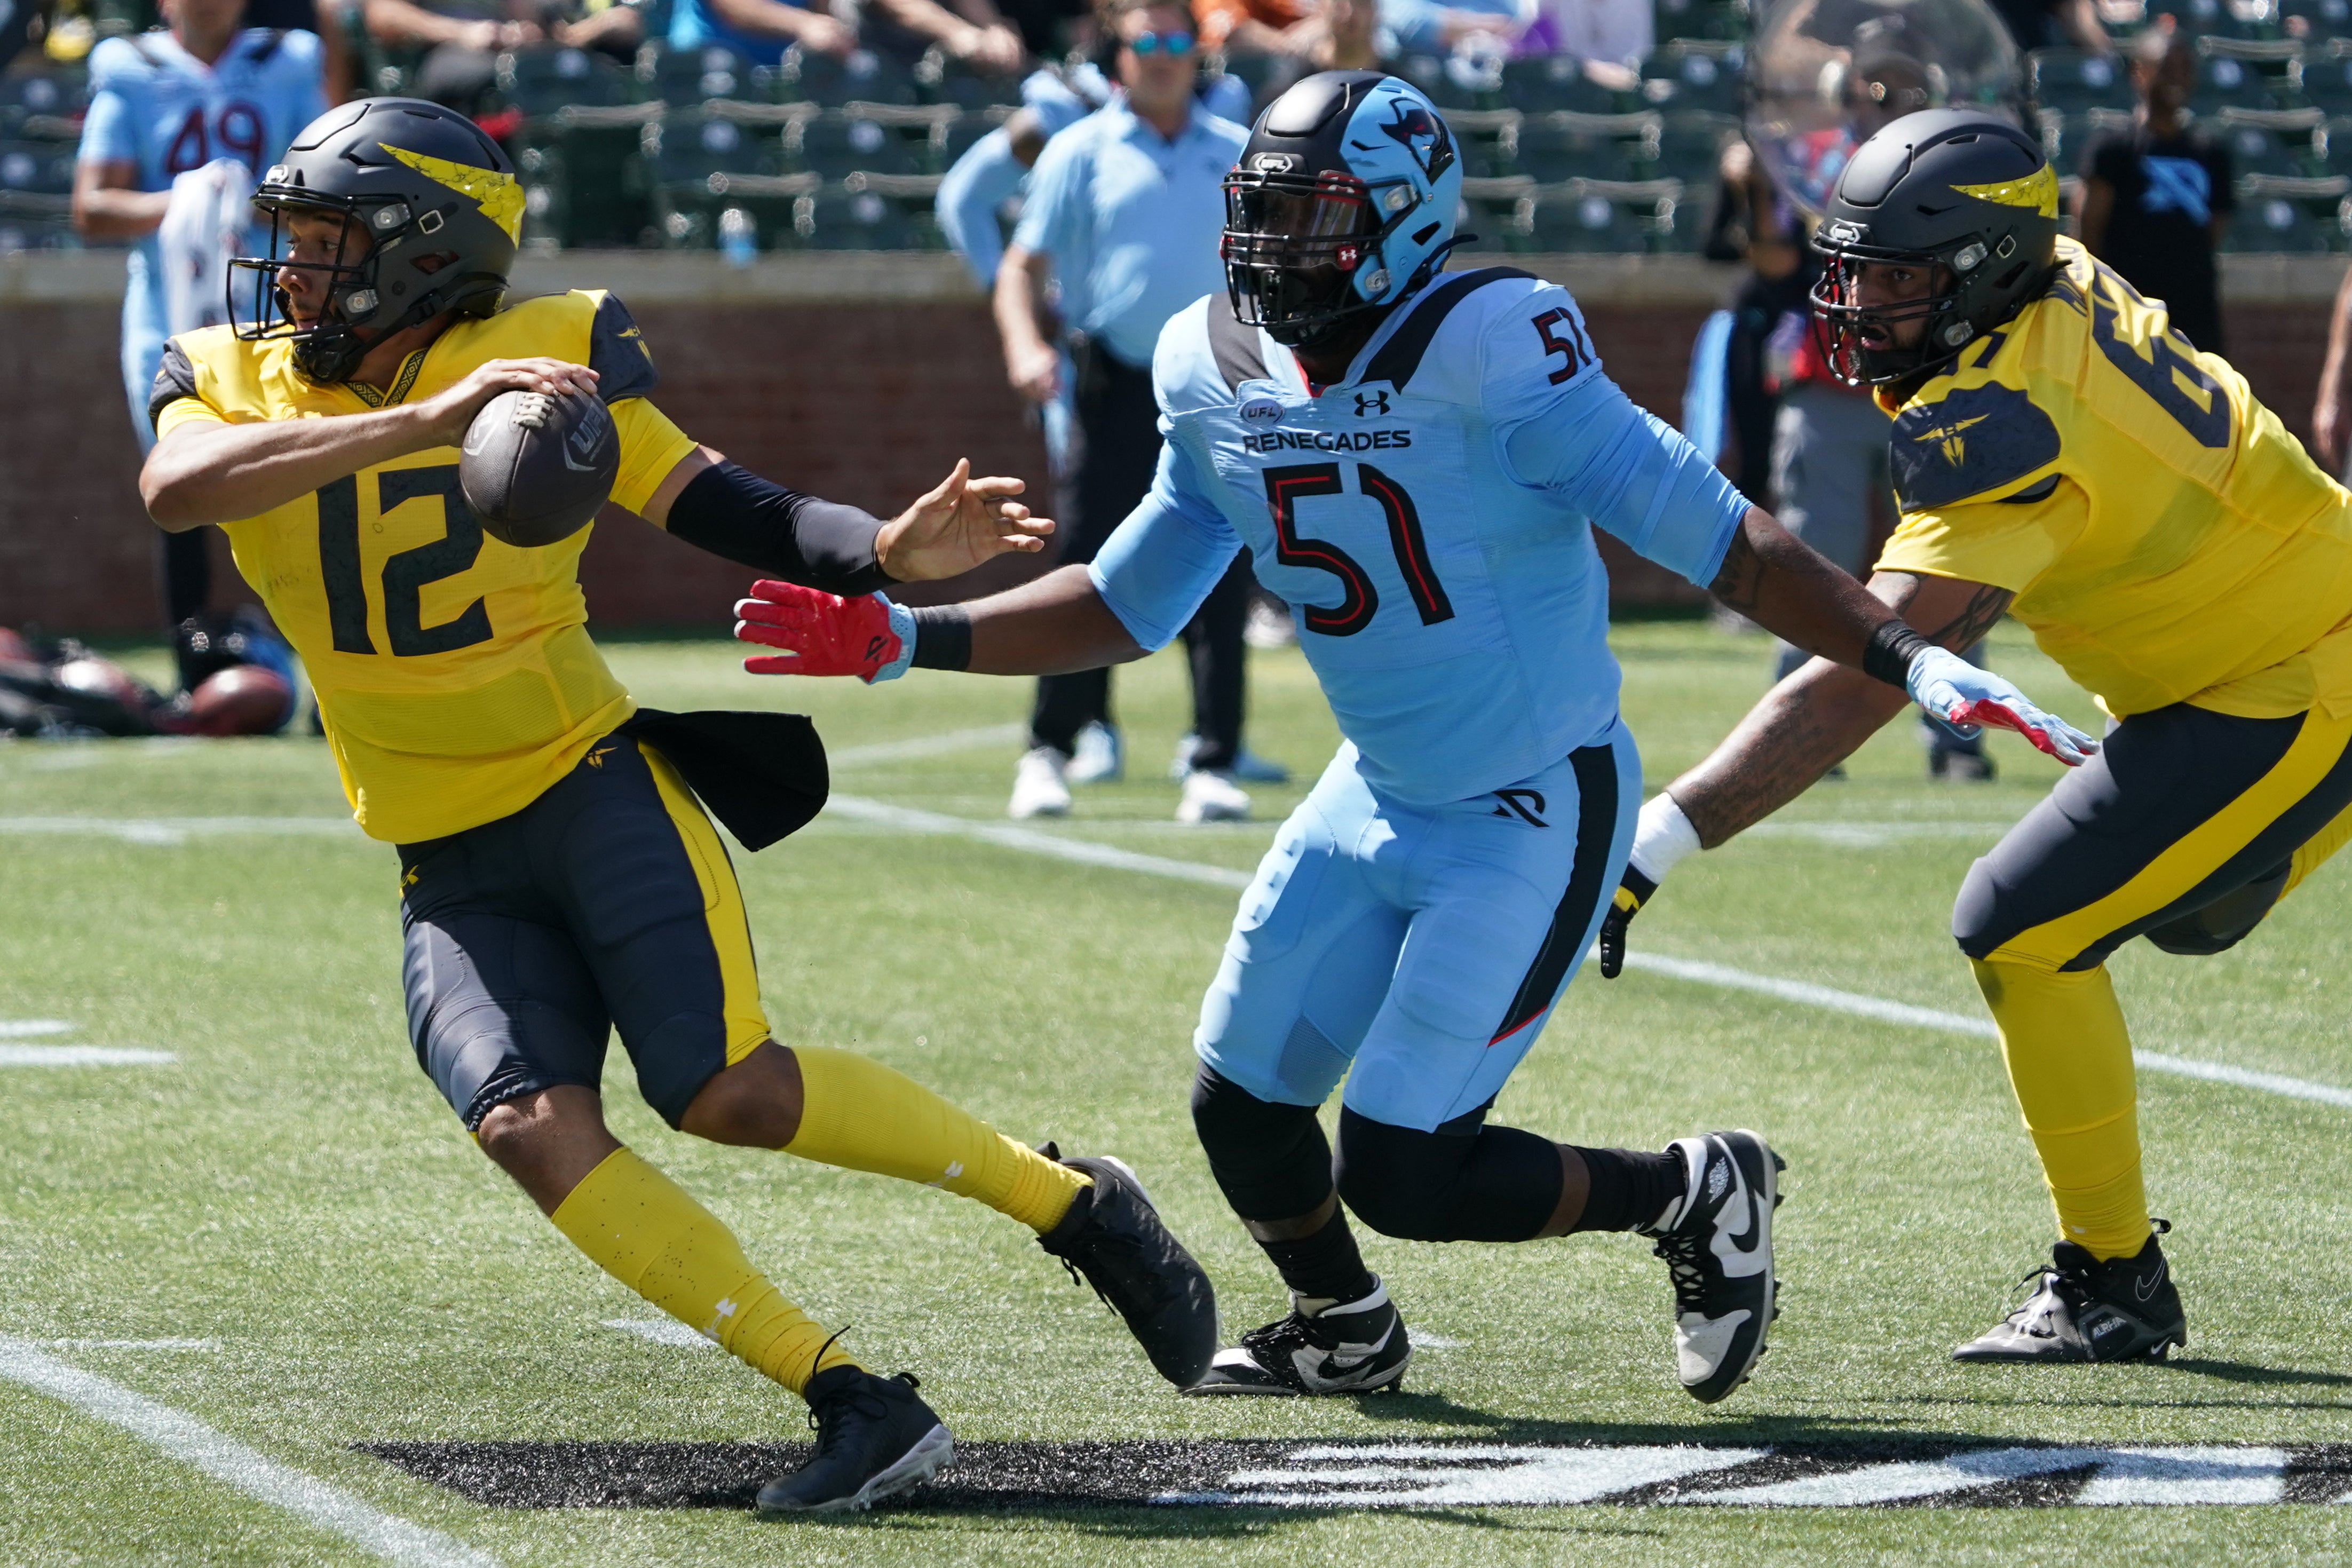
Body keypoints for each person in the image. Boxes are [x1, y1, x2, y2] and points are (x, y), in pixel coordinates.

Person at [734, 72, 2090, 1400]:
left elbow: (1713, 535)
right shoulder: (1209, 360)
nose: (1277, 249)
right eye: (1263, 214)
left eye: (1316, 217)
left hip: (1532, 802)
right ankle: (1344, 1325)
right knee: (1242, 1108)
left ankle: (1689, 1187)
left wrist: (1899, 649)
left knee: (1401, 1170)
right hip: (1376, 785)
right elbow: (1131, 596)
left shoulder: (1495, 342)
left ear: (1408, 219)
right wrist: (913, 634)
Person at [138, 97, 1217, 1514]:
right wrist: (421, 420)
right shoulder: (225, 369)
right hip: (437, 848)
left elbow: (719, 500)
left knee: (730, 1092)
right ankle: (850, 1395)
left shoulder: (545, 353)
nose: (289, 275)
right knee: (526, 1123)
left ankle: (1069, 1202)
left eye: (328, 244)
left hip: (586, 786)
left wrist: (881, 552)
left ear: (422, 256)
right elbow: (174, 487)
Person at [1604, 108, 2352, 1366]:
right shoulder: (2049, 270)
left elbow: (1859, 674)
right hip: (2233, 651)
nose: (1862, 304)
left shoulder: (2000, 417)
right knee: (2183, 912)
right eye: (1856, 271)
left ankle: (2113, 1278)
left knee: (2019, 924)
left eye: (1896, 280)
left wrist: (1656, 836)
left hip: (2289, 675)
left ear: (1980, 273)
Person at [992, 0, 1263, 823]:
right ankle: (1051, 750)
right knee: (1084, 560)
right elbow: (1019, 268)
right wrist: (1024, 351)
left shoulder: (1235, 154)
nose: (1164, 55)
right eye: (1146, 40)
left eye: (1180, 40)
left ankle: (1212, 759)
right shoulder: (1081, 150)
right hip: (1109, 382)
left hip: (1217, 384)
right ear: (1117, 53)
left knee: (1223, 565)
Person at [71, 0, 325, 651]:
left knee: (298, 473)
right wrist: (188, 200)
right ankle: (190, 652)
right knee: (178, 480)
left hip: (279, 301)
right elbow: (93, 205)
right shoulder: (129, 67)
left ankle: (318, 648)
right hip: (167, 311)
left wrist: (246, 201)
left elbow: (324, 184)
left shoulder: (288, 59)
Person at [2077, 25, 2232, 355]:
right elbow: (2088, 232)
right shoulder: (2113, 150)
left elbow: (2213, 230)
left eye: (2184, 70)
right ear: (2141, 72)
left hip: (2195, 320)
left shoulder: (2211, 154)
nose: (2176, 79)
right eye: (2166, 68)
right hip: (2127, 316)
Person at [362, 0, 643, 119]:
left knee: (589, 73)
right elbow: (382, 14)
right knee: (494, 77)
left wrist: (528, 31)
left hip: (512, 51)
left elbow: (532, 15)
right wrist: (462, 32)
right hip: (444, 50)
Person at [666, 0, 1023, 74]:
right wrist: (803, 24)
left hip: (786, 72)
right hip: (702, 68)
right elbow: (732, 7)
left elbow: (823, 11)